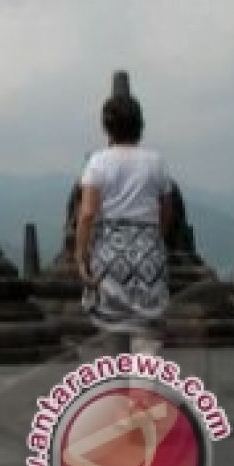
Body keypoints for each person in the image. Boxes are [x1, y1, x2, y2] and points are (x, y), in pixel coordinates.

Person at [75, 91, 174, 356]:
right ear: (140, 125)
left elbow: (86, 215)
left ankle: (117, 391)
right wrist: (154, 240)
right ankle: (142, 392)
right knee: (147, 337)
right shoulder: (157, 163)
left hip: (110, 254)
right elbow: (166, 212)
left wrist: (81, 256)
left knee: (113, 336)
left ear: (106, 127)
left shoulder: (97, 163)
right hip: (148, 254)